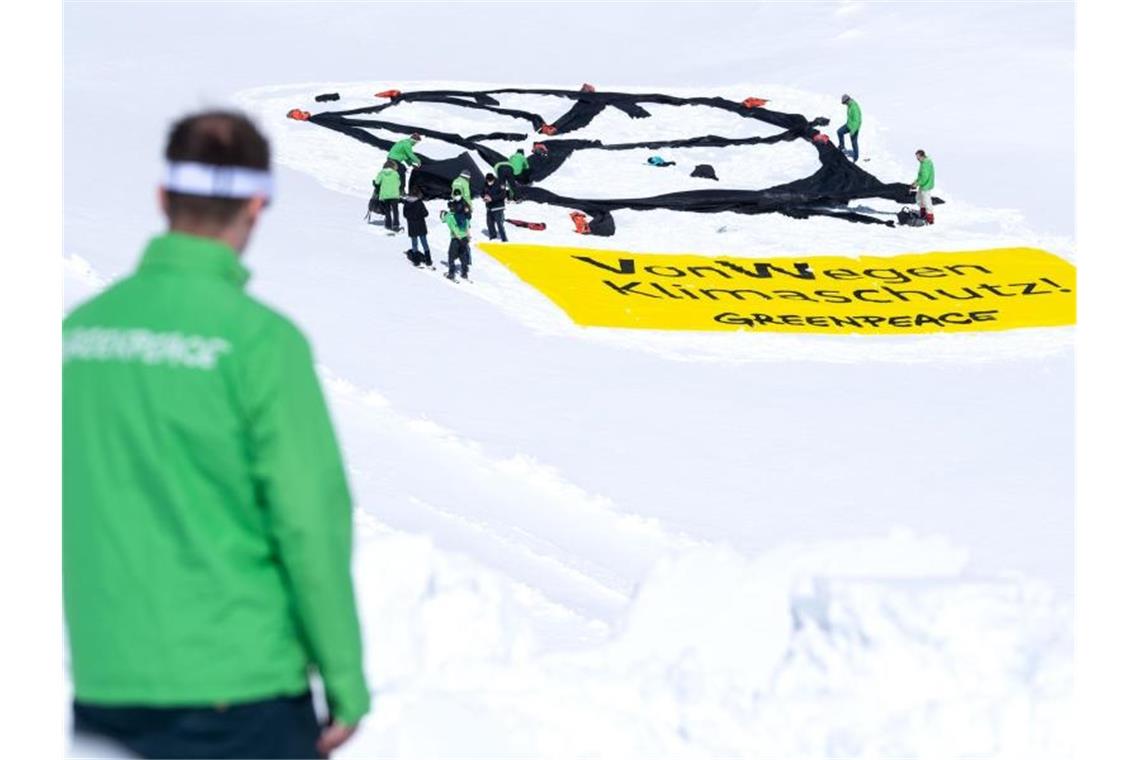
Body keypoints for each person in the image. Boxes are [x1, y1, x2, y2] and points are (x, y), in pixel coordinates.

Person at [63, 110, 370, 760]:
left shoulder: (77, 336)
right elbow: (309, 520)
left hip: (106, 684)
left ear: (162, 197)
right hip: (241, 687)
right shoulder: (260, 343)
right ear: (257, 204)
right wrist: (343, 677)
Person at [402, 188, 432, 267]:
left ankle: (416, 260)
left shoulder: (406, 203)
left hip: (412, 226)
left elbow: (405, 214)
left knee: (414, 244)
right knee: (424, 243)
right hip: (421, 225)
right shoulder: (419, 203)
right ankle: (428, 260)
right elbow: (426, 213)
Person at [441, 207, 471, 281]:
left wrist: (458, 236)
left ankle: (451, 273)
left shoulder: (448, 218)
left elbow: (454, 228)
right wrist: (467, 235)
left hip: (456, 239)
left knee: (451, 255)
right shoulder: (458, 214)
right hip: (465, 238)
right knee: (462, 254)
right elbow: (467, 223)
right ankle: (464, 273)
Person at [910, 149, 936, 224]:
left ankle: (930, 218)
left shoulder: (926, 164)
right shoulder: (923, 162)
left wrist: (917, 184)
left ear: (921, 156)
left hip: (926, 185)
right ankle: (923, 213)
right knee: (919, 198)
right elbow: (921, 175)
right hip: (923, 185)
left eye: (917, 157)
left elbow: (925, 177)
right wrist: (915, 181)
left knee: (926, 201)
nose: (917, 159)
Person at [376, 159, 403, 231]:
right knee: (395, 210)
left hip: (385, 195)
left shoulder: (381, 173)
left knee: (387, 210)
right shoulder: (395, 173)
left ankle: (388, 224)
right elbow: (399, 183)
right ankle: (396, 224)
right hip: (394, 195)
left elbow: (377, 182)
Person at [482, 172, 508, 242]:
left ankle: (504, 239)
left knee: (499, 224)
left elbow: (503, 195)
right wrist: (484, 196)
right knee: (489, 223)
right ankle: (493, 237)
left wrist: (492, 198)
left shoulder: (500, 183)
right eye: (487, 181)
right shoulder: (485, 183)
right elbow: (482, 192)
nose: (489, 182)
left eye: (490, 181)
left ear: (493, 179)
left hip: (498, 207)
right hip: (489, 207)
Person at [837, 94, 862, 161]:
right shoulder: (849, 105)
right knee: (839, 131)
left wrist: (853, 131)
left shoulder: (854, 107)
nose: (845, 104)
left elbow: (857, 121)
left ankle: (856, 157)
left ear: (847, 100)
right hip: (849, 125)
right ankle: (842, 146)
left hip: (854, 127)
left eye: (845, 103)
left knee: (854, 142)